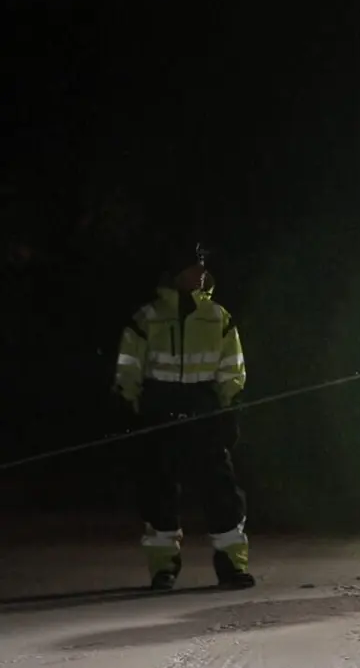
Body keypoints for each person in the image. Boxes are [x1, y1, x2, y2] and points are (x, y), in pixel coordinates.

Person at [112, 242, 254, 590]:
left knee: (221, 490)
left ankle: (232, 564)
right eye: (194, 266)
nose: (201, 272)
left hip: (204, 412)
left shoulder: (219, 317)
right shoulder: (147, 318)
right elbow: (128, 366)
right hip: (159, 412)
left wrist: (229, 408)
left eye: (203, 265)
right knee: (158, 492)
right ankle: (163, 567)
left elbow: (232, 368)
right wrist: (129, 407)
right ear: (176, 272)